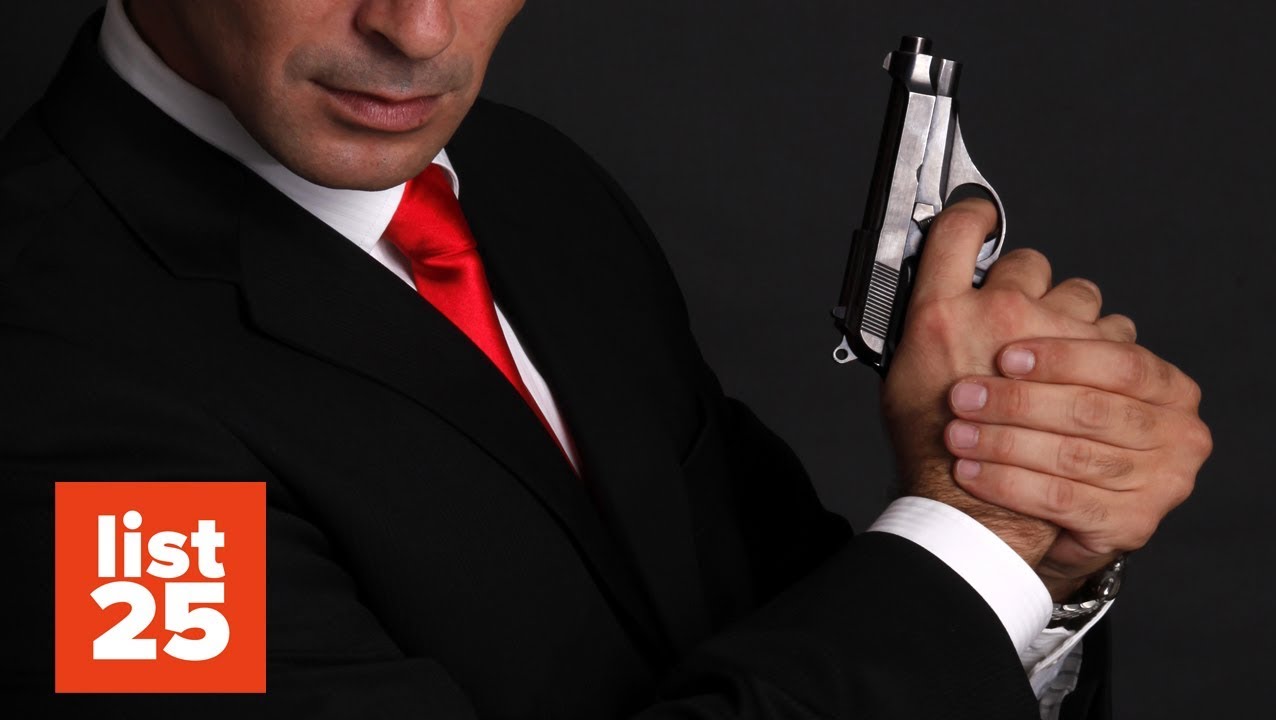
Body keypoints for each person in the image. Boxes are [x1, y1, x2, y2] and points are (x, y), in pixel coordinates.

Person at [0, 1, 1209, 718]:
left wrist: (1035, 532)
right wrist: (977, 541)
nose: (419, 30)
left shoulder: (529, 182)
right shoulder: (49, 370)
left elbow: (800, 627)